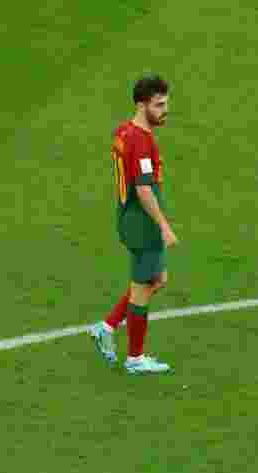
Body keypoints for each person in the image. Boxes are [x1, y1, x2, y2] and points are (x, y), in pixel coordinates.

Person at [88, 74, 178, 374]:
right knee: (143, 288)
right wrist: (163, 225)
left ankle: (107, 326)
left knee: (156, 279)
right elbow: (143, 188)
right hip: (142, 223)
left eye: (166, 103)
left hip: (129, 216)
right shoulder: (141, 141)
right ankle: (135, 358)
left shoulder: (124, 131)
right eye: (159, 105)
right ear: (141, 105)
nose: (165, 110)